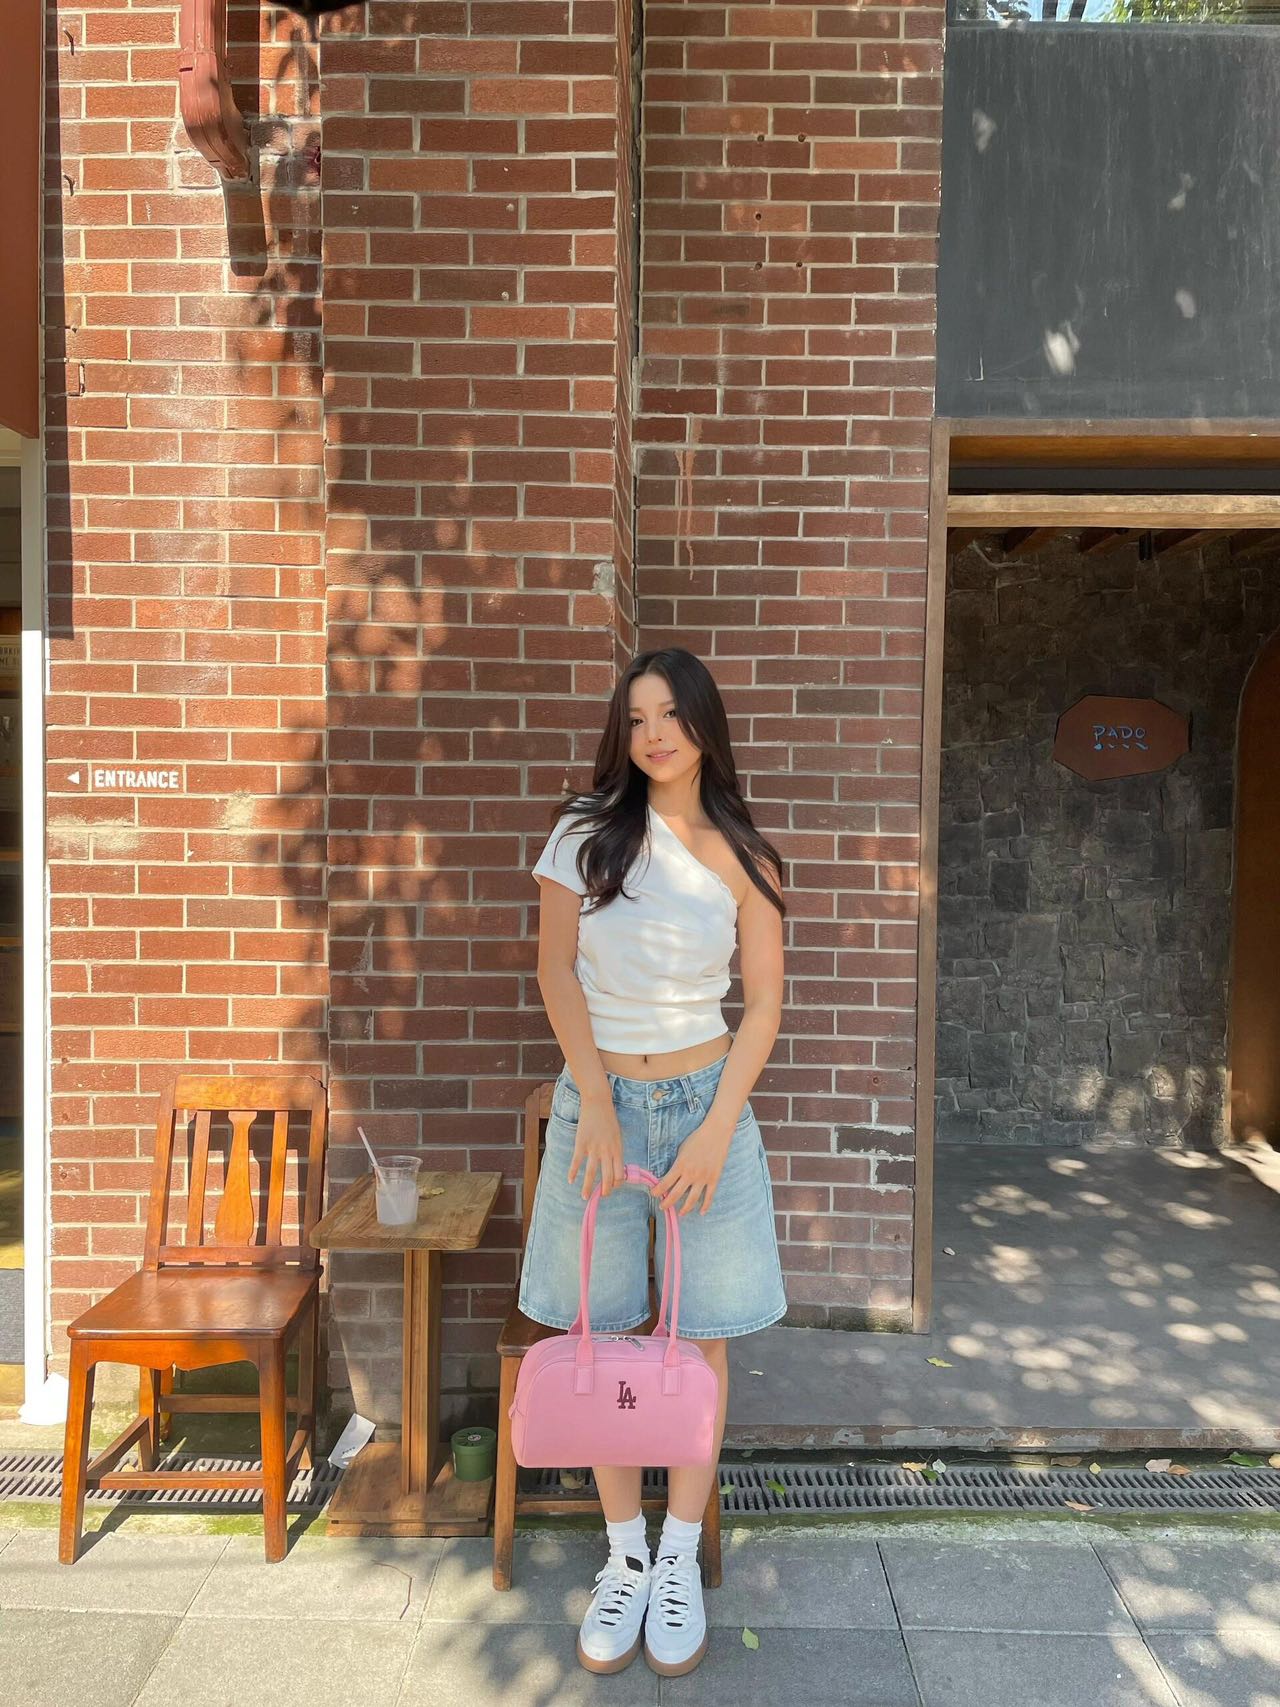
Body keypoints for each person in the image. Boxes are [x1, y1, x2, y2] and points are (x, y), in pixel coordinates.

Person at [517, 647, 788, 1678]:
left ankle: (678, 1554)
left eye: (670, 713)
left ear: (703, 723)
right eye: (635, 719)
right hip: (601, 1110)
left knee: (700, 1336)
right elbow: (555, 971)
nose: (653, 734)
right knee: (599, 1328)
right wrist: (591, 1102)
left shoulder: (744, 854)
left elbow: (762, 1003)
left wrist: (717, 1127)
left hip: (705, 1109)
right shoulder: (584, 835)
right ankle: (623, 1556)